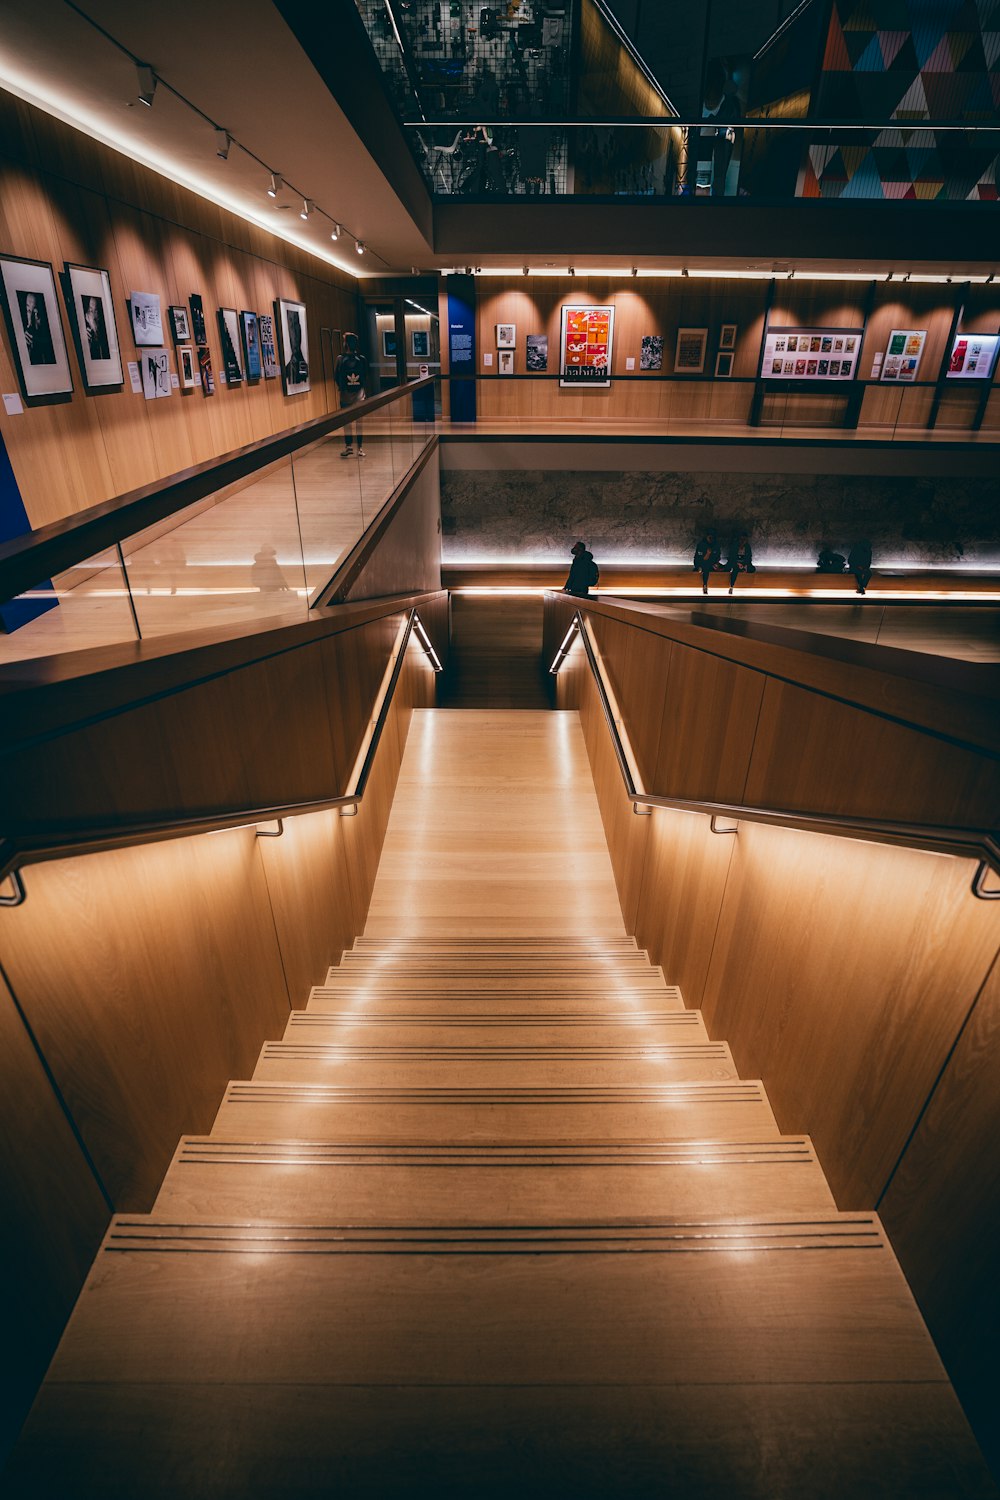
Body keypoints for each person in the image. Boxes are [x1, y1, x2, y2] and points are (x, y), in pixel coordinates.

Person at [334, 332, 368, 458]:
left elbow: (336, 376)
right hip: (360, 396)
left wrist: (343, 387)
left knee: (346, 422)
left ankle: (348, 447)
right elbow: (365, 376)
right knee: (359, 423)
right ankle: (360, 448)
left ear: (346, 344)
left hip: (345, 396)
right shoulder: (362, 359)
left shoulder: (340, 359)